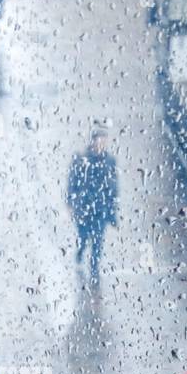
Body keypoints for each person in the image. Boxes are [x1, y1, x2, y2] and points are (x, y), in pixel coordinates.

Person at [66, 127, 119, 297]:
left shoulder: (110, 161)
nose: (101, 144)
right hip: (84, 207)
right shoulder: (81, 159)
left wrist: (112, 209)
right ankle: (80, 253)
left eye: (104, 141)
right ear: (93, 141)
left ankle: (94, 269)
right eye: (99, 140)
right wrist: (70, 203)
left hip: (101, 208)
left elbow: (113, 185)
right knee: (83, 237)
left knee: (98, 240)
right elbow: (72, 181)